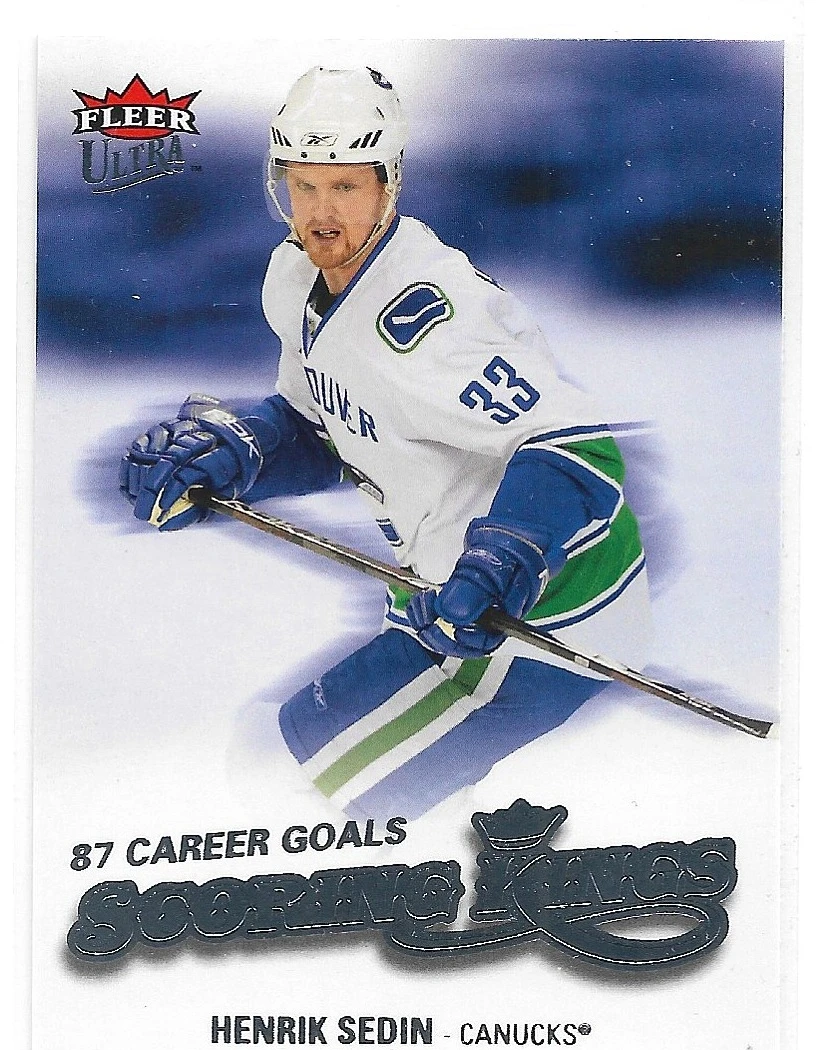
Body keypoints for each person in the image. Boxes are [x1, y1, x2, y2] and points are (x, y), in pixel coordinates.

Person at [120, 66, 651, 820]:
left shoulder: (429, 319)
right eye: (304, 185)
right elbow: (321, 423)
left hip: (541, 620)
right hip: (439, 597)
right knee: (279, 763)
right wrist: (240, 452)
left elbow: (576, 446)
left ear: (387, 185)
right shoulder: (295, 278)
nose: (320, 212)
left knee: (292, 785)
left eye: (344, 186)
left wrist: (503, 561)